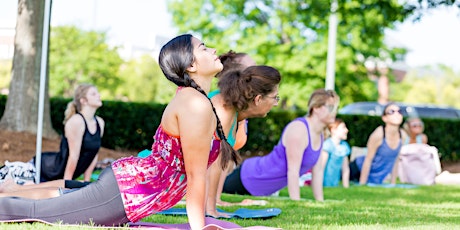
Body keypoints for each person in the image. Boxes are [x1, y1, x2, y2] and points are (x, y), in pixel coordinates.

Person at [0, 34, 237, 230]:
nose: (214, 50)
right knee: (32, 212)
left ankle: (11, 190)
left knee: (59, 200)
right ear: (191, 65)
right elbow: (195, 177)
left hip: (125, 193)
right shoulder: (194, 104)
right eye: (204, 48)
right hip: (123, 194)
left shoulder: (195, 100)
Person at [222, 89, 340, 201]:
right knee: (216, 190)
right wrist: (296, 202)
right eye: (330, 107)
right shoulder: (299, 129)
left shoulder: (320, 134)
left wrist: (320, 201)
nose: (334, 111)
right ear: (316, 108)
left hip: (260, 187)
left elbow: (318, 171)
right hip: (250, 177)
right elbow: (293, 171)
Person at [206, 65, 281, 217]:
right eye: (275, 98)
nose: (276, 103)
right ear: (258, 99)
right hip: (160, 182)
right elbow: (213, 162)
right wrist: (210, 210)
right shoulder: (224, 108)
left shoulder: (234, 111)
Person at [0, 83, 104, 189]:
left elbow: (93, 154)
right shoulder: (76, 121)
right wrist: (66, 184)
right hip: (42, 170)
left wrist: (87, 182)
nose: (99, 95)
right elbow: (73, 156)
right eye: (93, 94)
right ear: (83, 100)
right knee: (10, 187)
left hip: (56, 177)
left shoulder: (100, 122)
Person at [349, 102, 408, 185]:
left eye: (399, 111)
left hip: (375, 178)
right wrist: (362, 183)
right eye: (391, 111)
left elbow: (396, 159)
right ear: (384, 118)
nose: (396, 114)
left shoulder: (403, 135)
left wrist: (393, 183)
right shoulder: (378, 134)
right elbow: (368, 159)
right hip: (357, 171)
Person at [321, 118, 351, 188]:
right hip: (324, 184)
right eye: (343, 127)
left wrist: (346, 187)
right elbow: (321, 167)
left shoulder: (344, 146)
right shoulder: (327, 145)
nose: (346, 130)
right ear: (333, 130)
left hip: (334, 185)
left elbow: (345, 169)